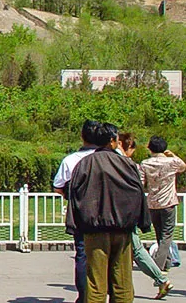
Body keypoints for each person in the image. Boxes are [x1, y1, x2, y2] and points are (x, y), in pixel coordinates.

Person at [66, 123, 151, 303]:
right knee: (122, 282)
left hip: (94, 230)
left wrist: (76, 224)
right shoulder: (126, 164)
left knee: (96, 284)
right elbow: (137, 193)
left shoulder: (85, 164)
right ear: (112, 141)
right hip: (122, 229)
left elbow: (75, 195)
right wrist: (141, 221)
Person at [118, 133, 172, 299]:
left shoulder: (133, 164)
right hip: (161, 204)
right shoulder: (129, 164)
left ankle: (160, 278)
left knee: (136, 250)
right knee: (149, 244)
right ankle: (161, 276)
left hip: (124, 213)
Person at [52, 119, 101, 303]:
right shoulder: (110, 158)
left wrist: (70, 195)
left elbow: (57, 186)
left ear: (82, 136)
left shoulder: (71, 160)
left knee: (82, 254)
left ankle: (84, 296)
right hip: (107, 213)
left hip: (81, 212)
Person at [140, 136, 186, 276]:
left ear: (150, 148)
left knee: (160, 233)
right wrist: (172, 154)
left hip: (153, 202)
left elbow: (141, 181)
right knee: (167, 234)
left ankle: (166, 262)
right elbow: (183, 166)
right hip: (168, 202)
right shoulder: (171, 162)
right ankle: (158, 266)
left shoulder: (145, 163)